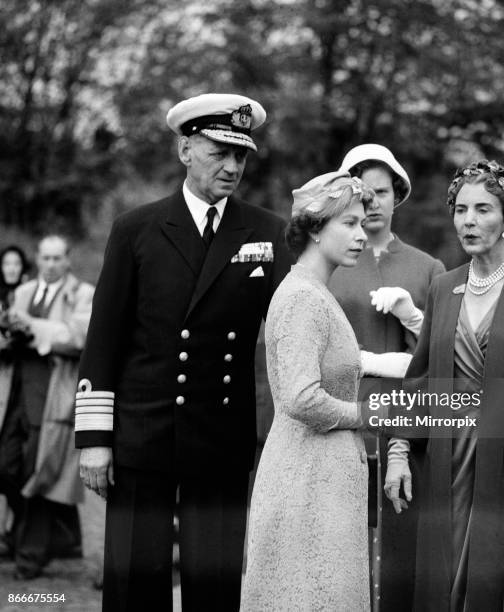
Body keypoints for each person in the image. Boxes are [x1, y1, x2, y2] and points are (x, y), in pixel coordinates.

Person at [76, 93, 291, 612]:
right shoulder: (136, 228)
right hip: (143, 430)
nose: (232, 166)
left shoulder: (265, 230)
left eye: (240, 155)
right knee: (133, 577)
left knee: (214, 582)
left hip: (220, 432)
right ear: (185, 150)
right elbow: (104, 337)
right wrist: (95, 439)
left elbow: (293, 318)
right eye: (219, 151)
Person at [385, 160, 504, 611]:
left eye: (484, 209)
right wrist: (398, 452)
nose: (469, 220)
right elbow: (419, 377)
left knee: (494, 580)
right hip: (444, 457)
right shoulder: (443, 287)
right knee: (440, 578)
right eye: (461, 209)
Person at [241, 170, 374, 611]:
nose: (361, 234)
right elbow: (301, 398)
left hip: (320, 480)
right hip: (306, 483)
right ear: (315, 229)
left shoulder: (315, 292)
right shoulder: (302, 298)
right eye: (349, 223)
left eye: (362, 223)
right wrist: (368, 415)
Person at [328, 144, 444, 611]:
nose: (371, 202)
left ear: (398, 194)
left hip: (407, 431)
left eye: (381, 191)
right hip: (342, 423)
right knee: (341, 548)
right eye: (361, 192)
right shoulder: (330, 263)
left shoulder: (427, 268)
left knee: (400, 554)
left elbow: (439, 359)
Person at [0, 235, 93, 578]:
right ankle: (61, 532)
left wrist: (32, 327)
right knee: (6, 466)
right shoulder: (22, 292)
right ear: (36, 259)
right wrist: (10, 330)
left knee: (38, 473)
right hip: (15, 390)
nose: (51, 264)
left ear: (68, 260)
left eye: (57, 258)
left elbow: (79, 335)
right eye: (45, 258)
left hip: (53, 393)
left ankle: (30, 556)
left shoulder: (82, 293)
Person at [0, 244, 30, 554]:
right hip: (4, 383)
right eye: (6, 263)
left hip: (26, 383)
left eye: (15, 263)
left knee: (18, 462)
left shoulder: (28, 294)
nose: (10, 268)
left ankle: (19, 530)